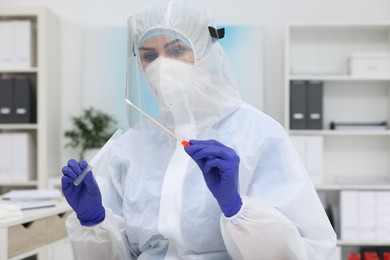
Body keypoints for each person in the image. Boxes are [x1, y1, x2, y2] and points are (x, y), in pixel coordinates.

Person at [61, 0, 337, 259]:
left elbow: (306, 251)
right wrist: (94, 221)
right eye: (149, 56)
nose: (161, 66)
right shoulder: (132, 144)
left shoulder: (258, 133)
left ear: (205, 51)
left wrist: (238, 209)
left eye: (177, 50)